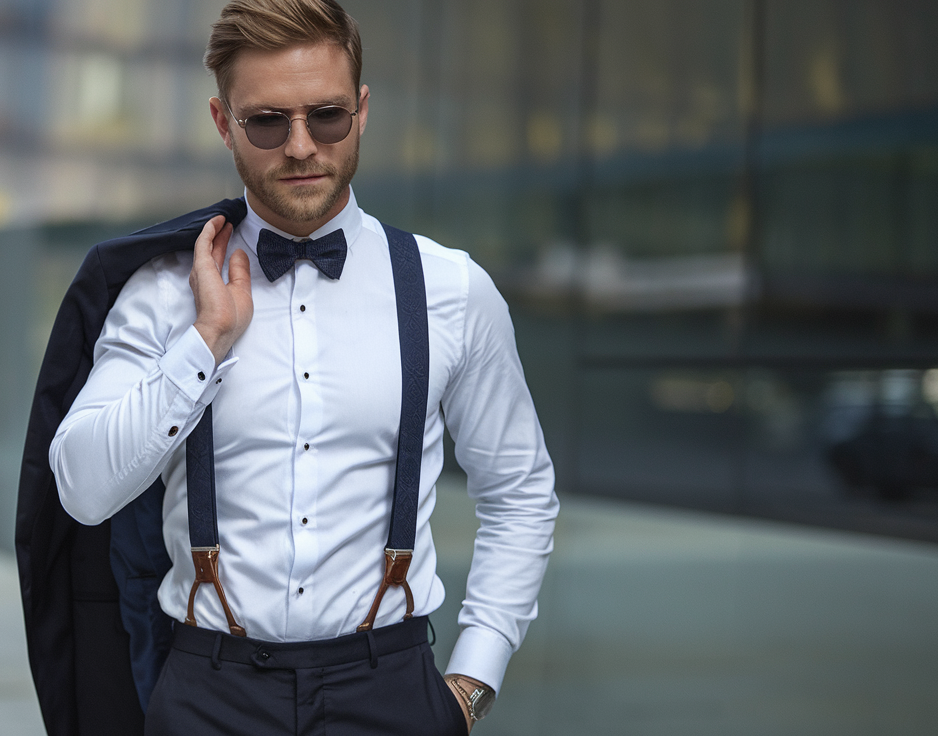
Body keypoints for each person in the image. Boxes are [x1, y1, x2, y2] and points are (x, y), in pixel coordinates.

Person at [29, 1, 558, 733]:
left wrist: (470, 683)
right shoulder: (160, 295)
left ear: (363, 111)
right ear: (223, 123)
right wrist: (205, 342)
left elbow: (520, 491)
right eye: (268, 122)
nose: (302, 146)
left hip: (392, 690)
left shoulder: (452, 291)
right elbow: (83, 490)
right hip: (206, 693)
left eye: (328, 116)